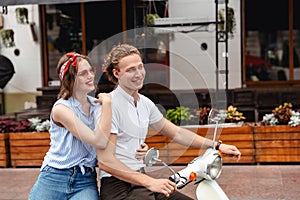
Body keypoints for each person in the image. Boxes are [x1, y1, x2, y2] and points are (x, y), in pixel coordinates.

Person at [97, 43, 242, 200]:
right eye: (131, 70)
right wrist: (150, 182)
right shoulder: (110, 104)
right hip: (118, 188)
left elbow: (176, 133)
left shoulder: (145, 103)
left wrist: (218, 145)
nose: (138, 73)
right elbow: (105, 162)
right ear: (116, 73)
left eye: (140, 67)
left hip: (140, 180)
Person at [28, 52, 148, 200]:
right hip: (54, 177)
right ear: (70, 79)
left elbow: (112, 141)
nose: (90, 76)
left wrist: (138, 147)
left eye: (92, 71)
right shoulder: (61, 109)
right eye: (83, 73)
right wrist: (108, 103)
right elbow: (99, 141)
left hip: (85, 180)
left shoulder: (97, 107)